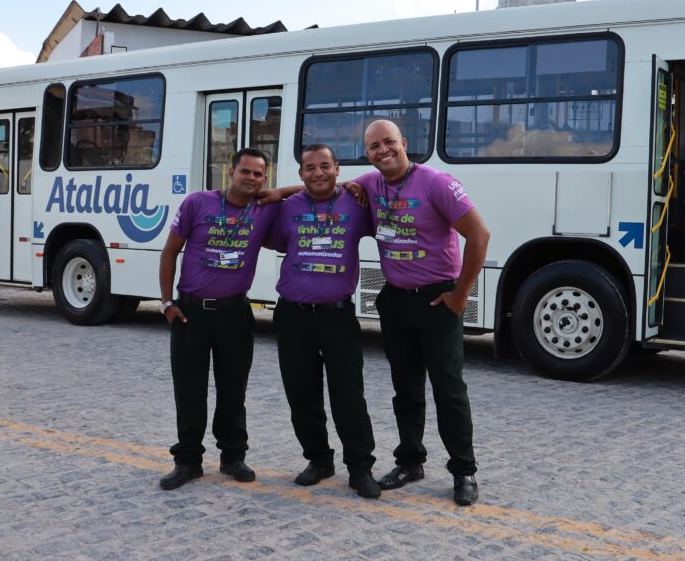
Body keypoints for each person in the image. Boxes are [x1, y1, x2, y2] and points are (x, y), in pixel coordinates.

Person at [355, 120, 490, 506]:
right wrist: (276, 191)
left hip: (437, 301)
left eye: (388, 142)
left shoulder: (435, 182)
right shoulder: (368, 183)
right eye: (374, 147)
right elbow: (322, 187)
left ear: (404, 143)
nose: (382, 151)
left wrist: (460, 295)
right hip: (396, 300)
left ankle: (463, 471)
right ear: (368, 154)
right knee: (406, 390)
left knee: (449, 390)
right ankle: (410, 461)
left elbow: (479, 235)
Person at [157, 147, 280, 490]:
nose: (252, 178)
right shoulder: (197, 203)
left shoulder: (265, 210)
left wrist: (282, 192)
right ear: (231, 172)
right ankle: (188, 461)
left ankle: (232, 456)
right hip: (190, 312)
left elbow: (306, 189)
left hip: (235, 313)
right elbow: (170, 252)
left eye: (259, 174)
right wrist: (167, 302)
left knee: (233, 390)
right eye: (246, 171)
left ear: (265, 179)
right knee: (189, 390)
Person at [269, 143, 381, 499]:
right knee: (302, 395)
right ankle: (319, 460)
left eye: (325, 166)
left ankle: (360, 468)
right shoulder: (287, 209)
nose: (318, 172)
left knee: (348, 395)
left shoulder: (357, 203)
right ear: (301, 174)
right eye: (310, 168)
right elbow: (272, 237)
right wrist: (285, 192)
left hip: (338, 316)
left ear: (337, 169)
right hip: (292, 316)